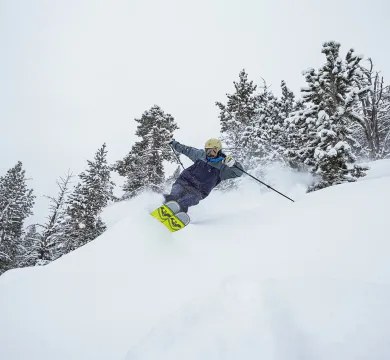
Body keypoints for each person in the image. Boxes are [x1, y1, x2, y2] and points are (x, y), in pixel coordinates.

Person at [164, 136, 244, 213]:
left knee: (183, 203)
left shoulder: (223, 167)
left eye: (213, 151)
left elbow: (238, 172)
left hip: (199, 191)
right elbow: (186, 150)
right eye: (208, 151)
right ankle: (162, 208)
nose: (210, 154)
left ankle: (178, 216)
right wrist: (173, 143)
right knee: (173, 197)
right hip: (184, 182)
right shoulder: (200, 155)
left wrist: (233, 164)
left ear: (219, 151)